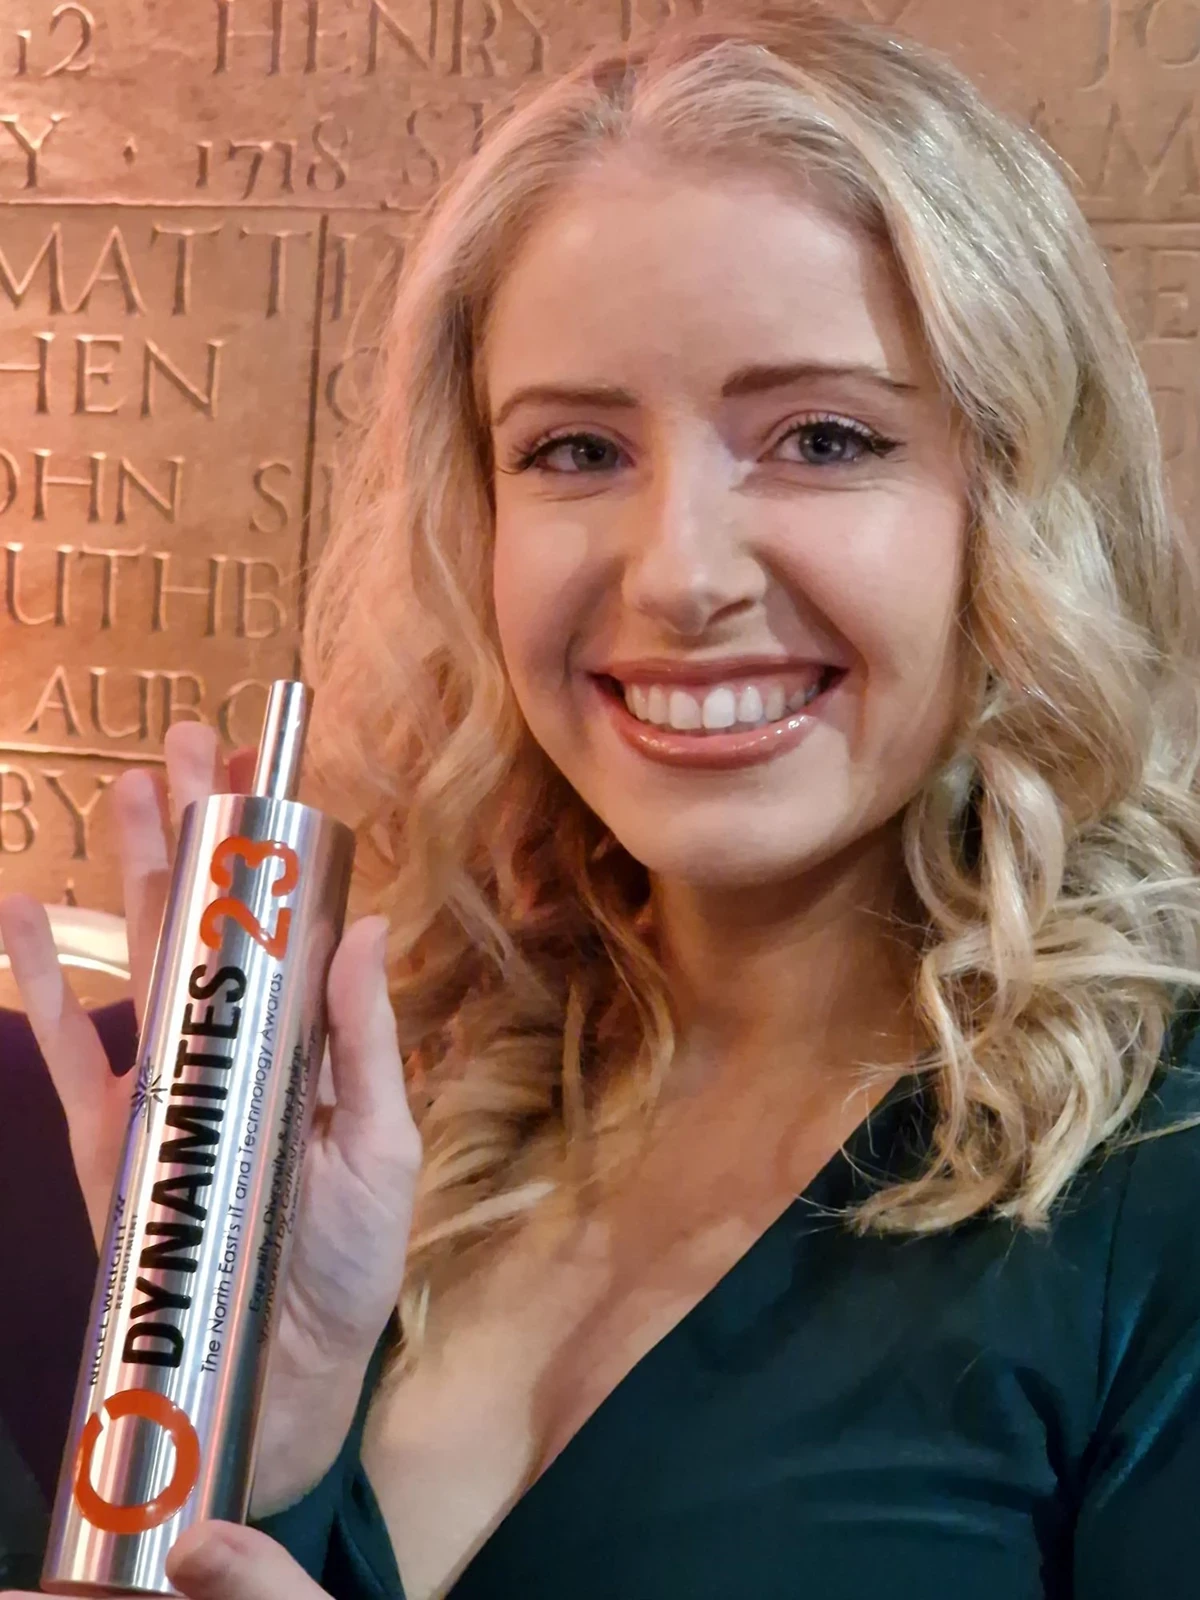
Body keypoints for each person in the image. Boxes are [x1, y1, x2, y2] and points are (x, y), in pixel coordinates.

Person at [3, 1, 1200, 1596]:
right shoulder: (429, 1081)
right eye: (573, 450)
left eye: (823, 437)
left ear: (1017, 505)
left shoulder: (1164, 1170)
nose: (679, 574)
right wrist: (252, 1455)